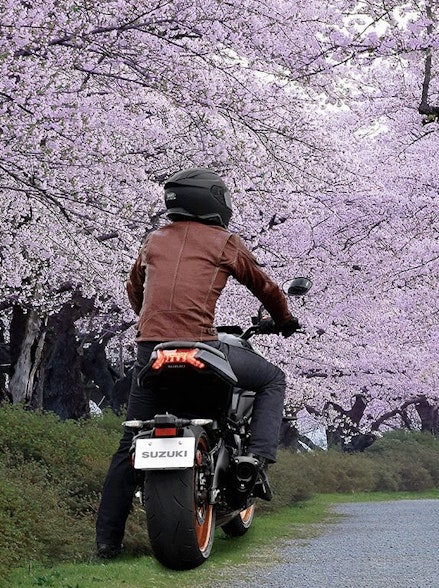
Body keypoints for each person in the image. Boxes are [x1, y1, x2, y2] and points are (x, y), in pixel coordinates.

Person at [95, 167, 300, 559]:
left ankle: (107, 543)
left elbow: (134, 288)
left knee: (129, 444)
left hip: (150, 352)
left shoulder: (153, 240)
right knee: (272, 378)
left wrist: (150, 324)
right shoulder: (224, 241)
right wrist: (285, 321)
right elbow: (265, 286)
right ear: (212, 200)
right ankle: (256, 459)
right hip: (202, 347)